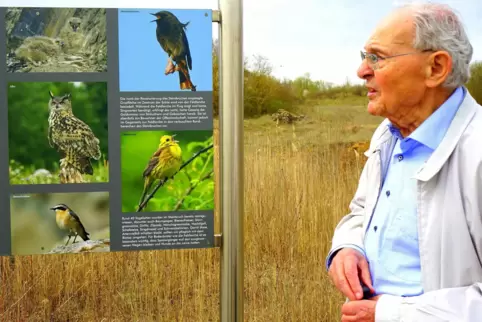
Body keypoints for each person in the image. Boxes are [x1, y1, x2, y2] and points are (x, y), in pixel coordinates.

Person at [325, 2, 482, 322]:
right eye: (363, 56)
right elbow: (361, 212)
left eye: (377, 57)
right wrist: (347, 247)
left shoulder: (477, 151)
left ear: (436, 68)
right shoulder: (387, 135)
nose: (362, 70)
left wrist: (390, 314)